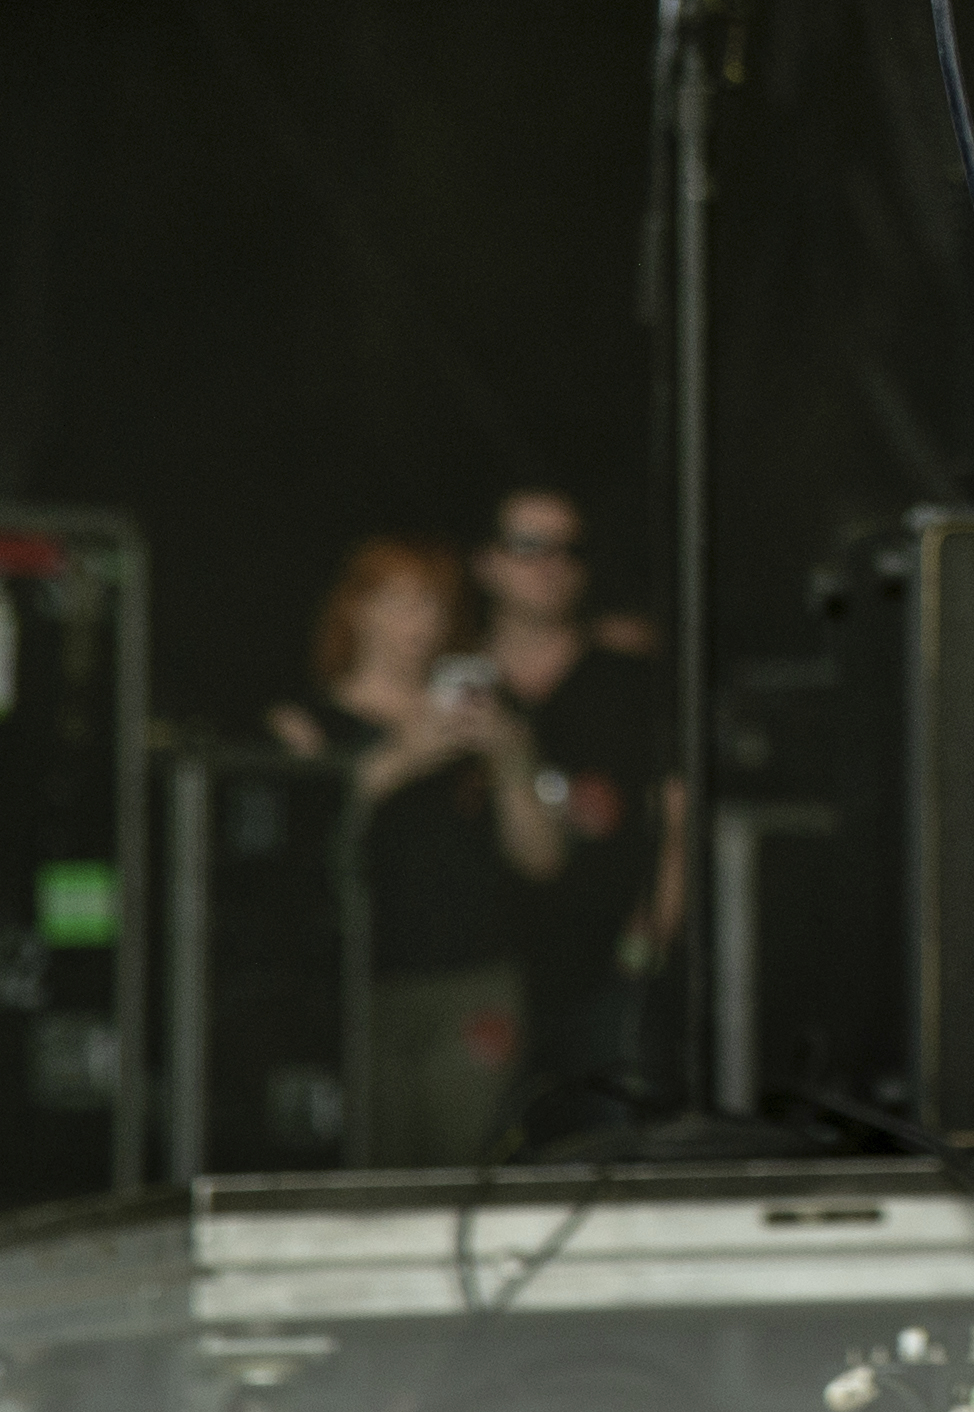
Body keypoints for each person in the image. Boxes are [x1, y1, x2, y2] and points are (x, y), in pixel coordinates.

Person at [267, 538, 562, 1167]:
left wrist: (511, 758)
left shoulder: (483, 715)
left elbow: (540, 859)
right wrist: (405, 756)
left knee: (464, 1156)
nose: (419, 622)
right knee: (370, 1166)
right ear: (359, 610)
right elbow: (298, 847)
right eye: (401, 602)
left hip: (470, 975)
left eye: (433, 605)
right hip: (358, 983)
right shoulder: (309, 723)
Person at [472, 490, 680, 1143]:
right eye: (529, 546)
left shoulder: (626, 676)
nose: (551, 564)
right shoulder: (455, 683)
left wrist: (654, 931)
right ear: (487, 563)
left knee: (606, 1161)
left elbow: (678, 815)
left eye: (569, 548)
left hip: (605, 969)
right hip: (477, 974)